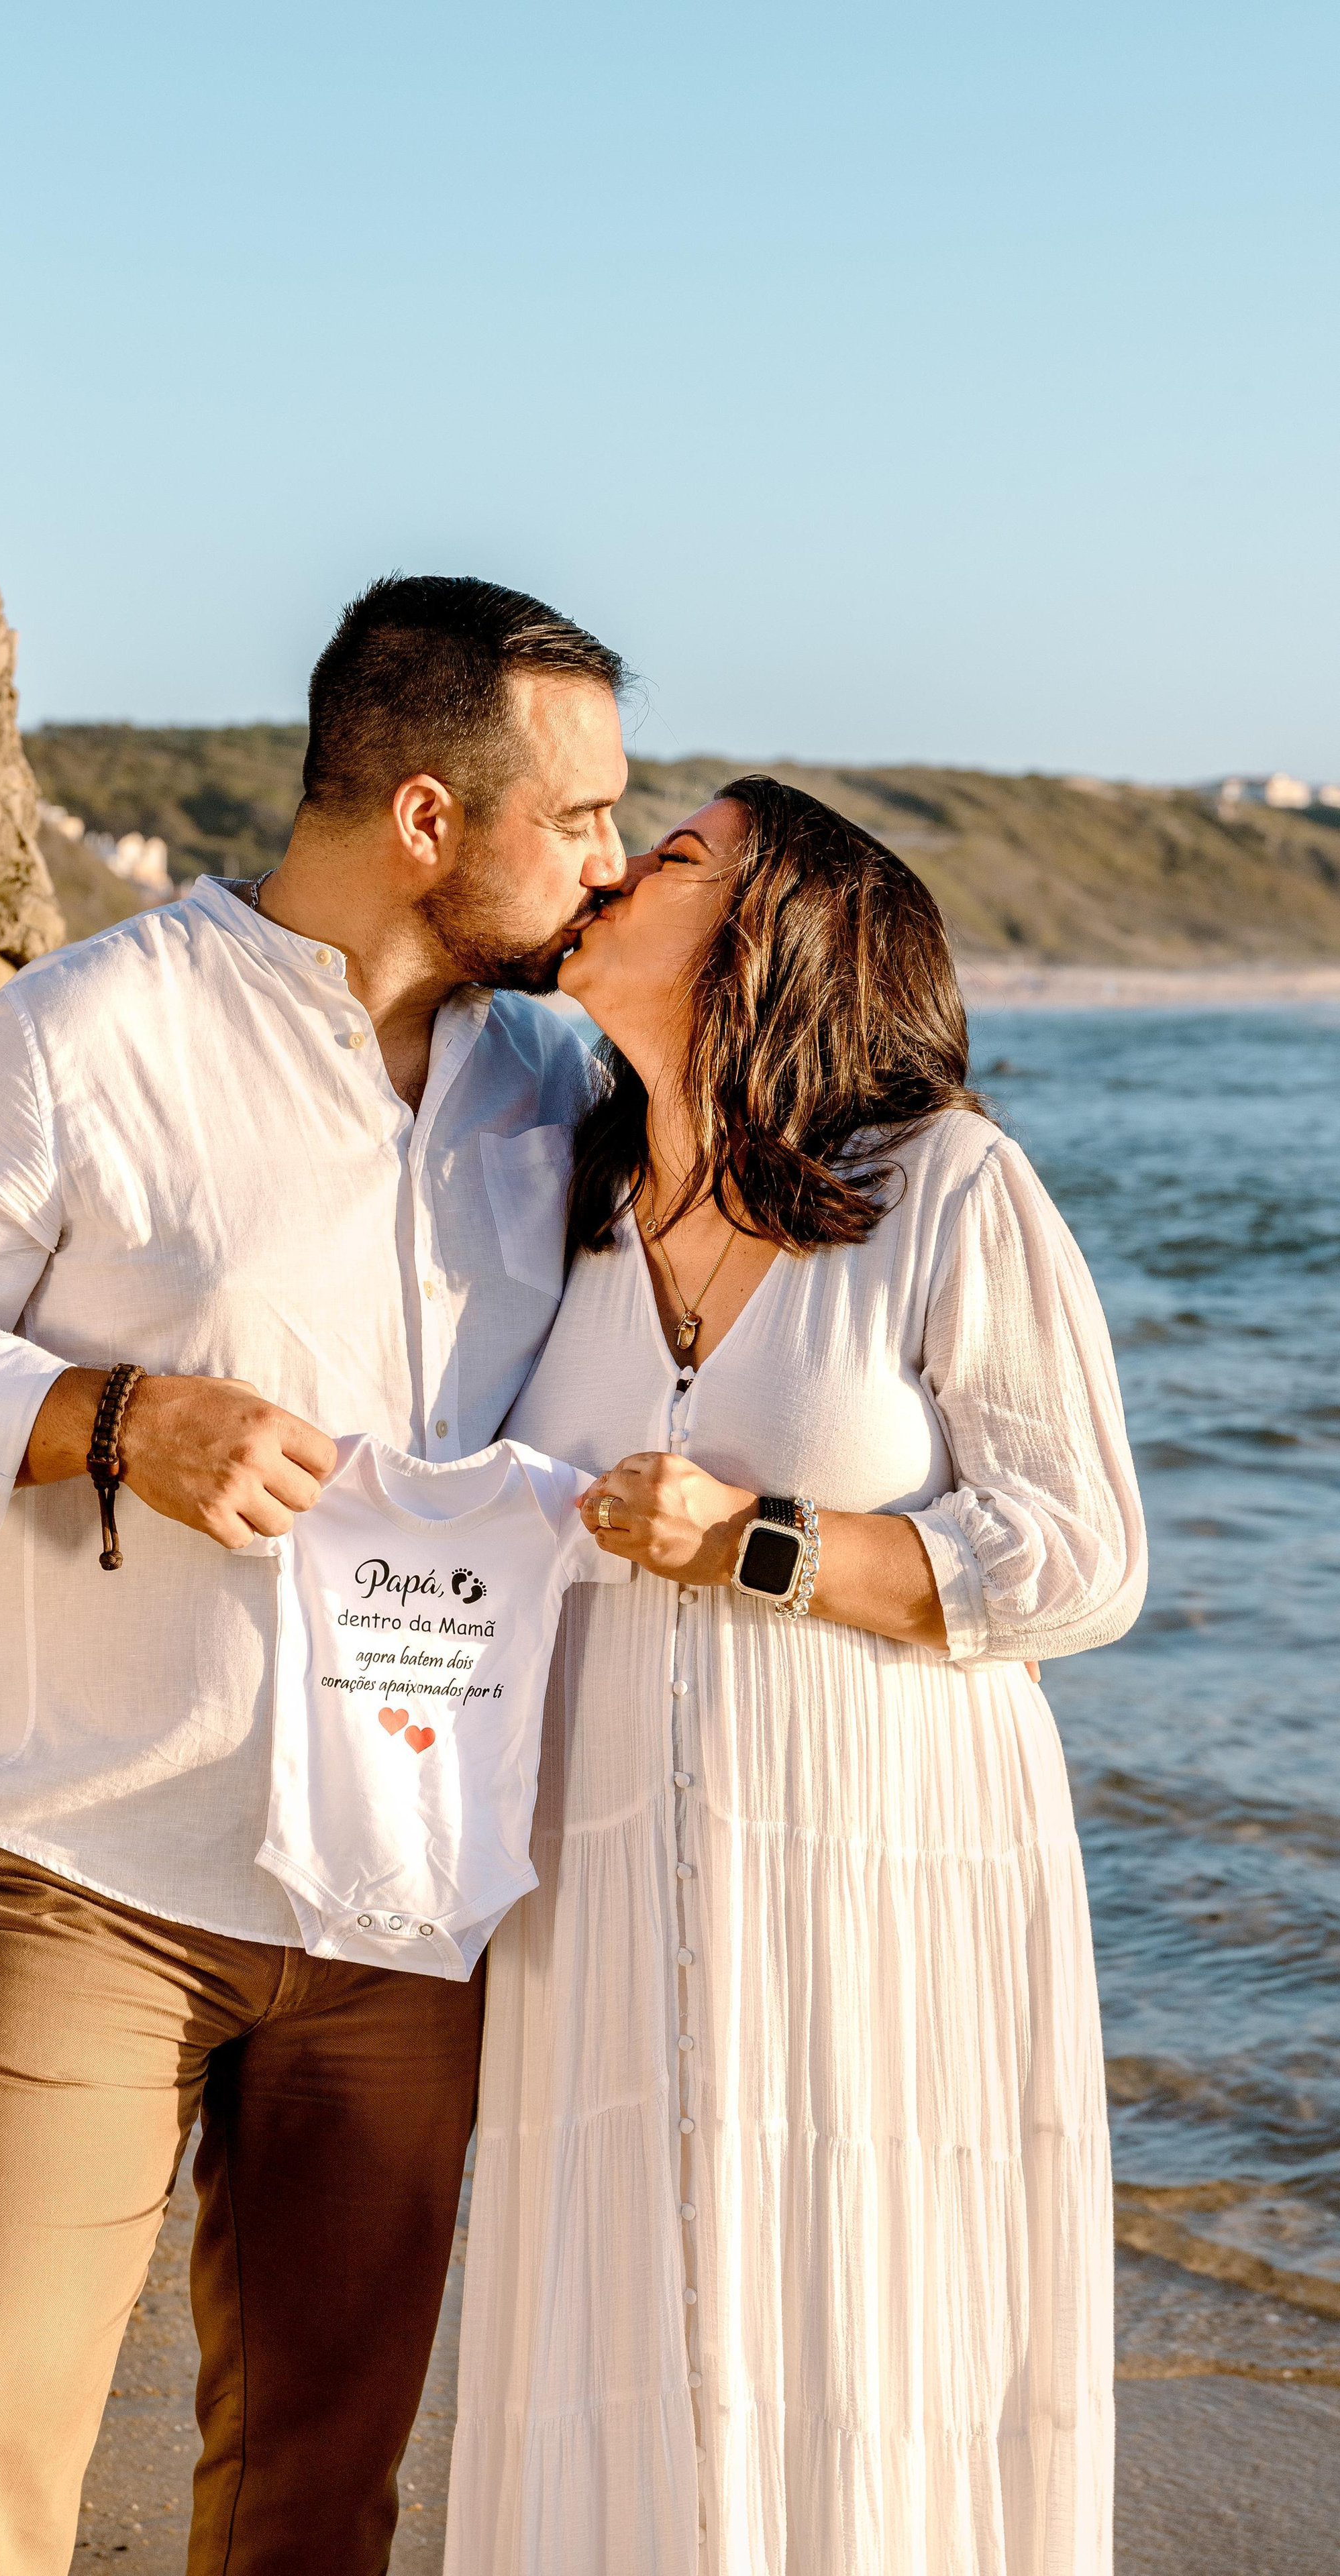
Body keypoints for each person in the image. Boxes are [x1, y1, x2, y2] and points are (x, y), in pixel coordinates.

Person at [0, 574, 629, 2576]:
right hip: (87, 1869)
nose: (606, 854)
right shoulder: (87, 1032)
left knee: (319, 2495)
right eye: (578, 815)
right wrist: (118, 1417)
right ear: (429, 815)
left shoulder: (563, 1084)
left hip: (408, 1907)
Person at [446, 777, 1146, 2576]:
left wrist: (762, 1543)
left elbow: (1083, 1553)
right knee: (620, 2333)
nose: (613, 866)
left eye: (673, 854)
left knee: (859, 2318)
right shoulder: (566, 1215)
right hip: (600, 1893)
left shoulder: (944, 1186)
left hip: (876, 1879)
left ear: (780, 930)